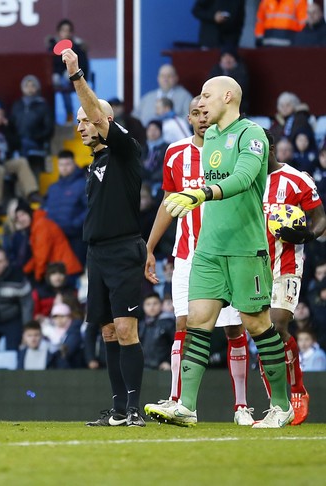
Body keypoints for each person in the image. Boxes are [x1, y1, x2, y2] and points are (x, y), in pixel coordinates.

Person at [146, 76, 293, 428]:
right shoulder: (209, 135)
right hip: (208, 249)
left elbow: (242, 178)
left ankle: (282, 405)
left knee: (257, 325)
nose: (201, 102)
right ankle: (187, 406)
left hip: (245, 248)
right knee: (197, 322)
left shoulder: (251, 134)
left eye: (207, 96)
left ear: (227, 97)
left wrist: (200, 194)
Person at [143, 96, 251, 425]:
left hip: (228, 253)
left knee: (234, 327)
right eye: (196, 113)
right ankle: (178, 400)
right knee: (183, 325)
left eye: (206, 112)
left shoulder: (233, 148)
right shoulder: (175, 153)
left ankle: (241, 407)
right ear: (188, 118)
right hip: (187, 254)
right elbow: (166, 202)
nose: (202, 118)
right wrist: (149, 248)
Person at [60, 46, 146, 427]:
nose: (80, 126)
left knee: (127, 329)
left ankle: (134, 410)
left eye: (85, 121)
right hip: (96, 255)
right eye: (78, 122)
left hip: (123, 251)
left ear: (104, 120)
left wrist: (76, 75)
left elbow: (94, 110)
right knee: (108, 330)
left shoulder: (126, 152)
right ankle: (116, 411)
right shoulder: (95, 163)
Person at [259, 129, 326, 425]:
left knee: (277, 323)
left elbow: (320, 216)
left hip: (286, 263)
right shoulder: (247, 179)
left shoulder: (297, 179)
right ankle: (278, 401)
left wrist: (308, 235)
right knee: (261, 332)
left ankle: (297, 388)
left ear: (271, 148)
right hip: (252, 265)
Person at [44, 150, 88, 265]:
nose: (64, 168)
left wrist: (75, 224)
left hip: (75, 238)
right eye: (61, 164)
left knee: (74, 272)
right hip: (54, 239)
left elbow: (91, 208)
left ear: (74, 164)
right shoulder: (53, 188)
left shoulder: (84, 184)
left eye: (67, 164)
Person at [47, 19, 90, 124]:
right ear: (58, 32)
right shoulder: (52, 47)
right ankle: (49, 117)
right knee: (52, 82)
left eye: (68, 30)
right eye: (63, 30)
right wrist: (55, 74)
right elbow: (50, 64)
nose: (65, 33)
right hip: (57, 76)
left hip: (73, 76)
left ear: (71, 33)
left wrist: (72, 71)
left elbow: (83, 64)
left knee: (64, 82)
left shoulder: (78, 47)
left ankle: (70, 114)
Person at [11, 74, 54, 175]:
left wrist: (36, 137)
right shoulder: (17, 105)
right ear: (22, 88)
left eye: (33, 86)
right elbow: (11, 125)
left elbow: (49, 129)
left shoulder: (43, 106)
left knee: (23, 145)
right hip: (17, 141)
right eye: (27, 86)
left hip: (35, 142)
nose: (30, 89)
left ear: (37, 88)